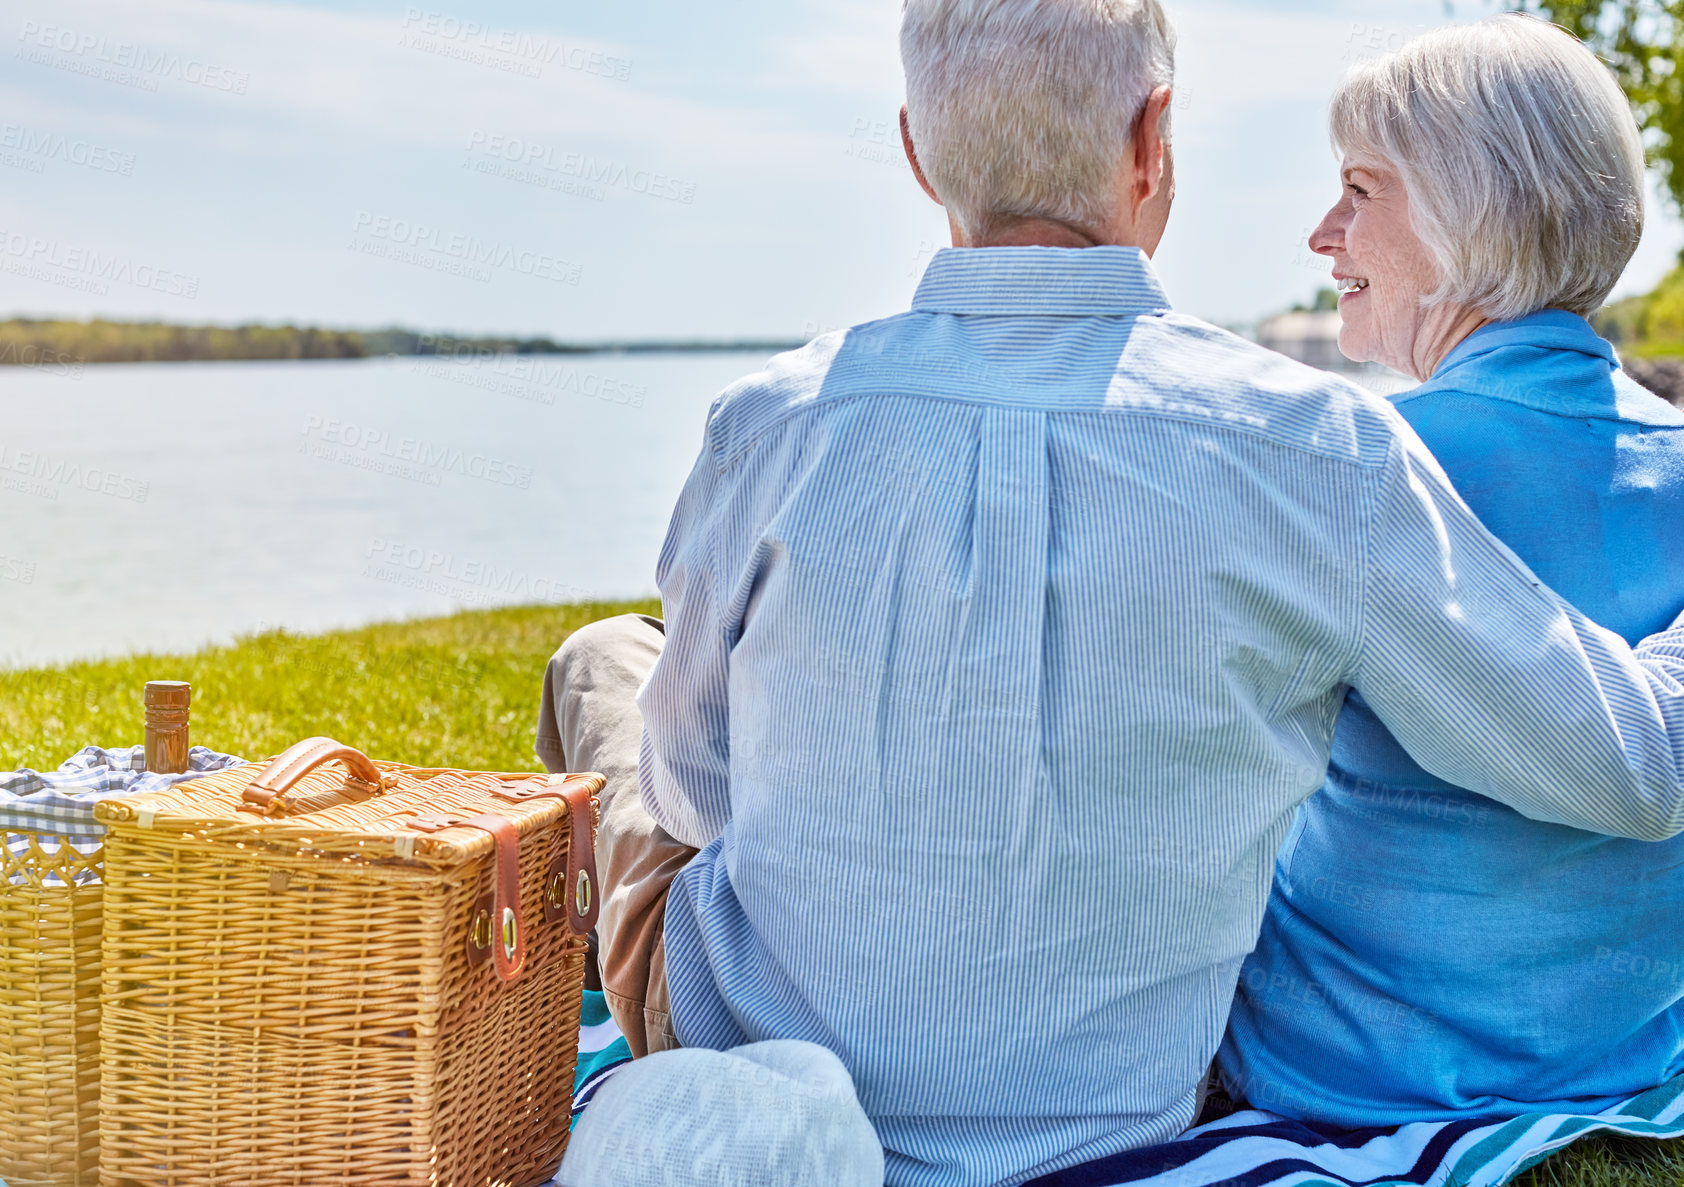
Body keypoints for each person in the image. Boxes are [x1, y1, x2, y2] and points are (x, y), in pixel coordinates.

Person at [537, 2, 1684, 1183]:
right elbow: (1626, 763)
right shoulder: (1317, 448)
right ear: (1153, 140)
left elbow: (696, 793)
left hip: (762, 1046)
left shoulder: (766, 423)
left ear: (917, 151)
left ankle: (554, 999)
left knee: (603, 661)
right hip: (1117, 1098)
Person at [1219, 15, 1684, 1126]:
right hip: (1625, 1047)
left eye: (1360, 190)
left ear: (1467, 212)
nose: (1322, 233)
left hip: (1357, 1064)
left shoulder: (1352, 464)